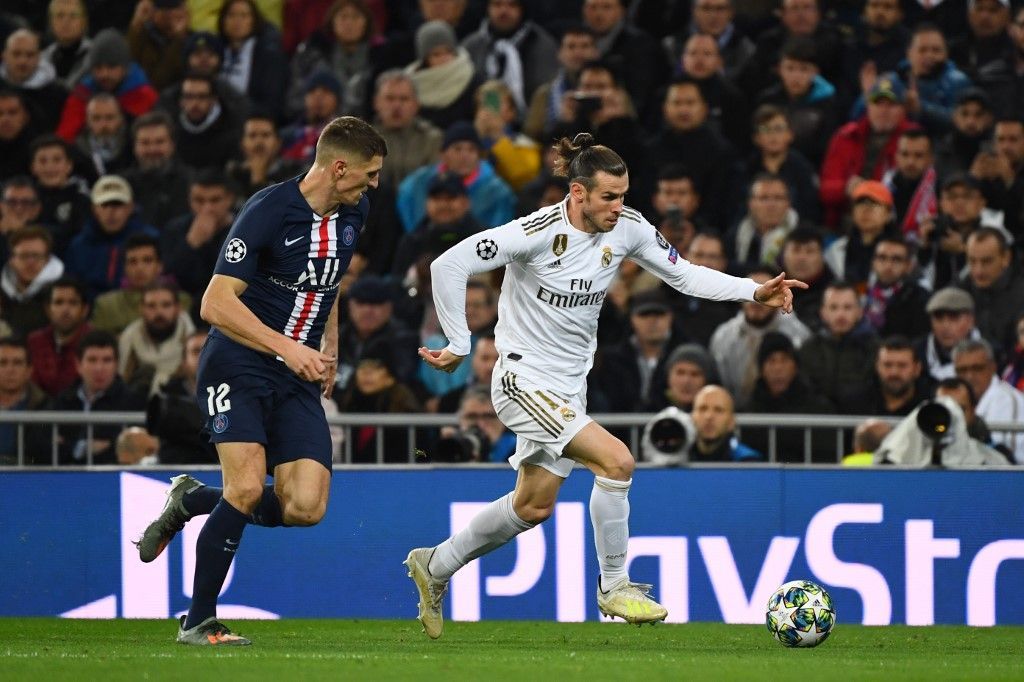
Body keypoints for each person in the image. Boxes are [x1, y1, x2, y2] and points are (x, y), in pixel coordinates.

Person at [406, 133, 806, 639]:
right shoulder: (534, 232)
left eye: (623, 195)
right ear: (577, 193)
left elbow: (684, 275)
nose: (619, 206)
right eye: (609, 197)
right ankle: (614, 585)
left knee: (532, 505)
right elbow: (448, 264)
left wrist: (753, 290)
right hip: (522, 380)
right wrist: (460, 342)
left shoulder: (629, 228)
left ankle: (435, 564)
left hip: (568, 388)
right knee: (617, 462)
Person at [132, 116, 386, 646]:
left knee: (305, 507)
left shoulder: (354, 211)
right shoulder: (269, 211)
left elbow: (330, 280)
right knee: (246, 488)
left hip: (297, 373)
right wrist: (288, 346)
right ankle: (199, 621)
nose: (375, 184)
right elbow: (214, 303)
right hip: (239, 363)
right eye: (370, 173)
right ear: (339, 168)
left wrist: (330, 342)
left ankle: (193, 500)